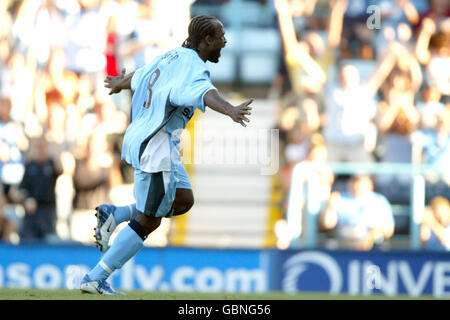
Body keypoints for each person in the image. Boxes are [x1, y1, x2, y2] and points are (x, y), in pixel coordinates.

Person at [80, 15, 254, 295]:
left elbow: (140, 76)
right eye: (220, 36)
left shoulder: (170, 56)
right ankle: (95, 277)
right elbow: (206, 92)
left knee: (183, 200)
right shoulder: (195, 67)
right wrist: (231, 110)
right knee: (150, 219)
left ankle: (119, 213)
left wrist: (120, 82)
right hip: (157, 145)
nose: (224, 41)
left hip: (150, 139)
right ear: (207, 40)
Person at [320, 174, 395, 251]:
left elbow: (389, 230)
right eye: (354, 181)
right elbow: (327, 224)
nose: (356, 186)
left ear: (370, 184)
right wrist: (331, 206)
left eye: (360, 182)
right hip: (343, 240)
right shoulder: (338, 198)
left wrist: (372, 235)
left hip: (372, 243)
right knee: (330, 245)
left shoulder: (380, 200)